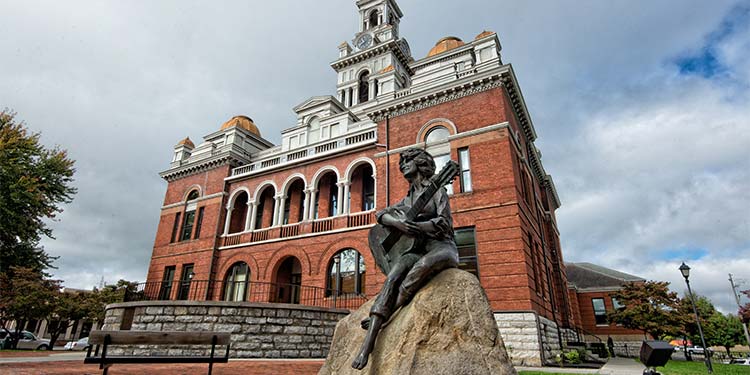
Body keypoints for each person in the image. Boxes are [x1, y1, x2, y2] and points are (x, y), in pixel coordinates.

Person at [351, 148, 459, 370]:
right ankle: (367, 345)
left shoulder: (437, 190)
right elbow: (380, 214)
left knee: (422, 266)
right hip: (416, 248)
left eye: (407, 161)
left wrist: (418, 227)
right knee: (393, 277)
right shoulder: (408, 198)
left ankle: (387, 314)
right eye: (402, 162)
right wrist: (397, 223)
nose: (403, 166)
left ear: (419, 163)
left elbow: (445, 224)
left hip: (442, 247)